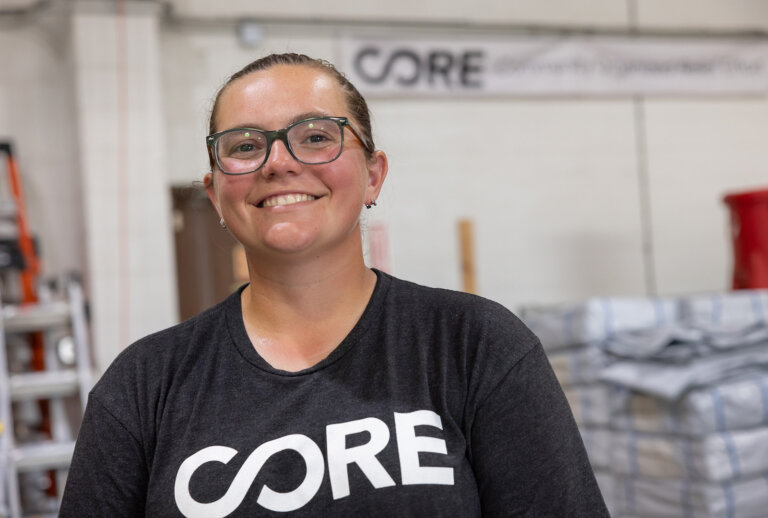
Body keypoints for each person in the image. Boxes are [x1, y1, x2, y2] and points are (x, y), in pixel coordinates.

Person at [60, 53, 608, 517]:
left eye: (316, 136)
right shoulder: (143, 385)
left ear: (373, 174)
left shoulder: (475, 345)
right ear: (215, 194)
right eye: (246, 146)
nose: (278, 162)